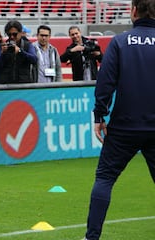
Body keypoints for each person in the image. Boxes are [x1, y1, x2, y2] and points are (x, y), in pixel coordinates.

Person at [83, 0, 155, 239]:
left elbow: (105, 82)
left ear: (133, 11)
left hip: (124, 126)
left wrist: (99, 114)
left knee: (104, 178)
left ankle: (92, 237)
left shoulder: (120, 42)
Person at [0, 20, 37, 84]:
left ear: (20, 33)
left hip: (23, 83)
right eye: (9, 34)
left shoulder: (27, 45)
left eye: (15, 34)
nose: (12, 37)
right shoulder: (3, 46)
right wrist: (3, 54)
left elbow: (34, 59)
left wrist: (20, 52)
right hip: (5, 83)